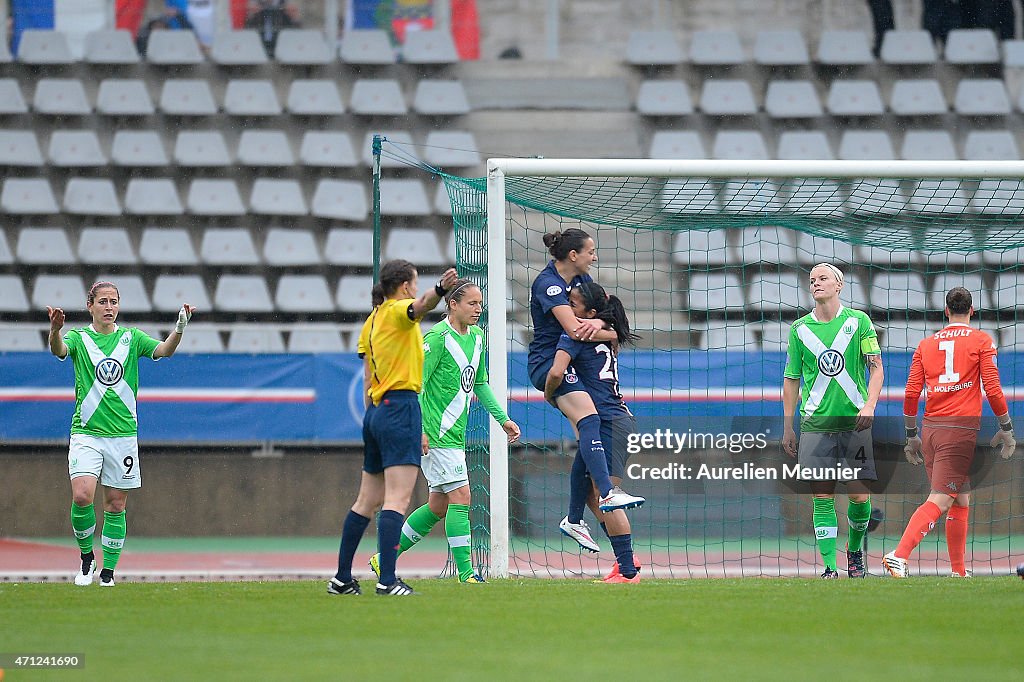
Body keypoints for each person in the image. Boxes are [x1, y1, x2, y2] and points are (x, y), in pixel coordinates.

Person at [369, 278, 521, 583]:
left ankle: (383, 558)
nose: (479, 309)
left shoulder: (477, 337)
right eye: (472, 303)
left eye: (480, 303)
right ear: (452, 304)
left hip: (455, 434)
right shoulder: (437, 338)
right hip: (436, 434)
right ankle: (467, 574)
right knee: (462, 496)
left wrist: (502, 418)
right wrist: (420, 430)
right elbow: (418, 386)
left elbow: (478, 383)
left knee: (438, 505)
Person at [48, 281, 194, 587]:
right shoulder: (79, 337)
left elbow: (164, 351)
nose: (109, 307)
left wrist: (179, 327)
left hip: (123, 435)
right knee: (82, 494)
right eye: (103, 301)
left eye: (114, 301)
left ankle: (108, 573)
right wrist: (55, 330)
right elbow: (58, 350)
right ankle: (87, 557)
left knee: (115, 504)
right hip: (86, 432)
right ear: (90, 306)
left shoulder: (131, 337)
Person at [329, 259, 458, 597]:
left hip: (376, 411)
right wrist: (441, 289)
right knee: (397, 499)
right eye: (414, 283)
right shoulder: (398, 310)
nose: (415, 289)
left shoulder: (371, 321)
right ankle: (387, 580)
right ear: (404, 286)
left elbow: (369, 376)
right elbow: (420, 307)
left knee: (365, 500)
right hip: (400, 406)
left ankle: (342, 579)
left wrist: (374, 418)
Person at [883, 287, 1016, 578]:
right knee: (942, 498)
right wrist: (1006, 427)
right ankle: (899, 555)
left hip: (931, 429)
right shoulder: (982, 340)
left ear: (946, 311)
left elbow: (910, 394)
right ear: (972, 311)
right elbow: (992, 389)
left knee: (961, 497)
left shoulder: (926, 344)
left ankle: (958, 571)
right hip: (959, 430)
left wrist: (911, 436)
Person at [528, 229, 645, 522]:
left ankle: (576, 519)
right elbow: (576, 330)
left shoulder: (582, 282)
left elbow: (605, 321)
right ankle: (605, 493)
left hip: (570, 362)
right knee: (590, 421)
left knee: (587, 434)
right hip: (548, 361)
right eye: (590, 252)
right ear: (573, 255)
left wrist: (610, 331)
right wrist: (607, 332)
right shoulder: (548, 285)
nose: (594, 257)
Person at [782, 263, 883, 579]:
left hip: (854, 424)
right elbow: (791, 379)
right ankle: (829, 566)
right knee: (822, 495)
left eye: (823, 278)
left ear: (839, 285)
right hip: (814, 424)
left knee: (858, 496)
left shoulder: (859, 322)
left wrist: (869, 405)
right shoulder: (799, 329)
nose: (815, 283)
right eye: (812, 280)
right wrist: (788, 425)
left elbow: (876, 368)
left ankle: (854, 552)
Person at [545, 282, 643, 583]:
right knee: (589, 491)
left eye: (573, 304)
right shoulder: (607, 336)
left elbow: (557, 372)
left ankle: (628, 570)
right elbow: (615, 332)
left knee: (604, 495)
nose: (567, 308)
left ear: (589, 312)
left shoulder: (576, 336)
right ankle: (624, 557)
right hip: (609, 421)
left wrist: (550, 396)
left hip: (609, 422)